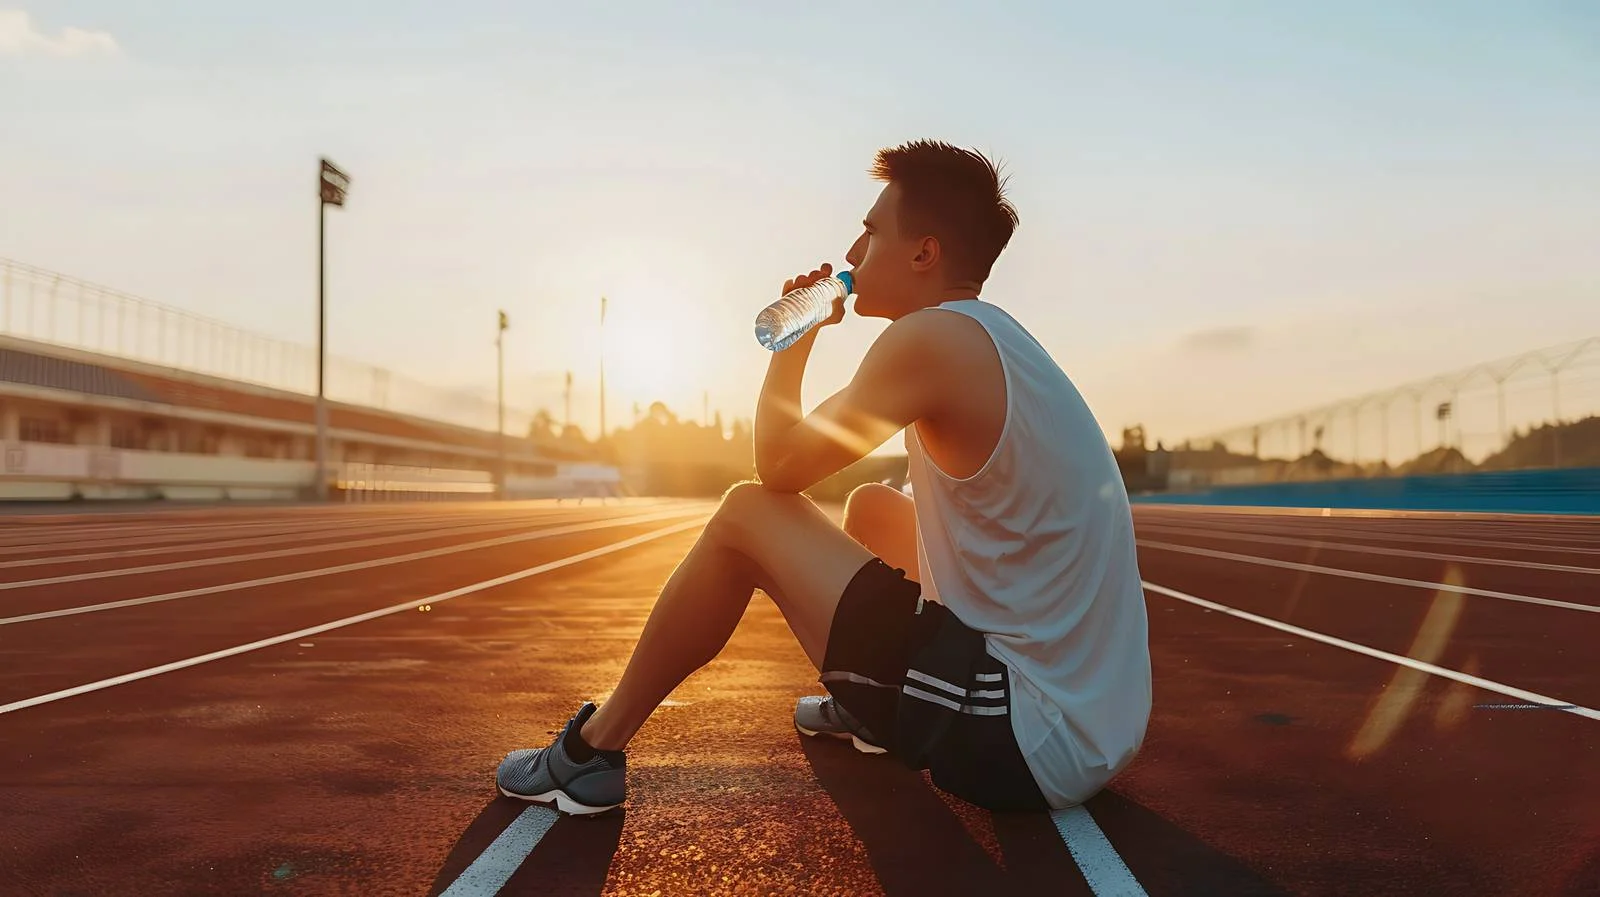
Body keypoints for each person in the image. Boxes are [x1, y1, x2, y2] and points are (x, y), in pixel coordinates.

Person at [496, 139, 1152, 814]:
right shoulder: (990, 335)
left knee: (746, 512)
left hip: (1022, 737)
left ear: (923, 252)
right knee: (873, 506)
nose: (853, 253)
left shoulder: (929, 339)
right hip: (1094, 726)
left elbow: (777, 467)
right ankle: (871, 711)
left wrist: (790, 345)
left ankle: (590, 752)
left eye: (870, 231)